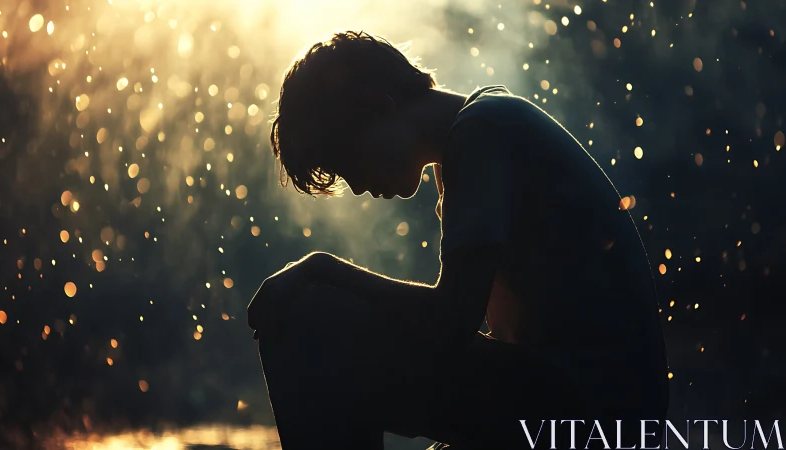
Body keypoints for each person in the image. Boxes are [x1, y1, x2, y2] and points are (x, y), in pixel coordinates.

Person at [248, 30, 669, 450]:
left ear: (381, 108)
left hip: (590, 415)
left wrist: (325, 268)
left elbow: (451, 320)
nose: (356, 185)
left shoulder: (480, 133)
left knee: (308, 317)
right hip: (581, 405)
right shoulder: (480, 128)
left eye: (349, 161)